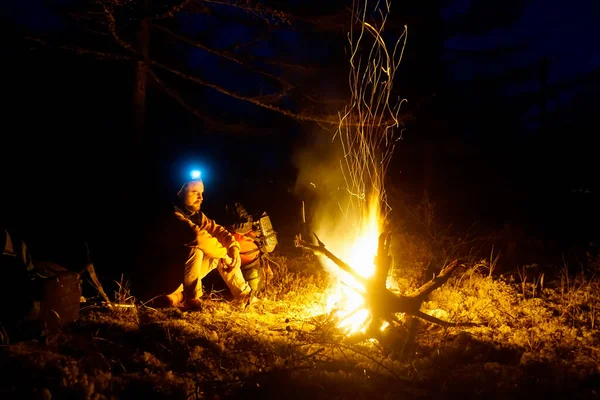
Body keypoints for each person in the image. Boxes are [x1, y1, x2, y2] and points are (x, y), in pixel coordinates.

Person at [135, 179, 252, 310]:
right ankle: (191, 299)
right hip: (161, 280)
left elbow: (217, 230)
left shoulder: (194, 215)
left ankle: (245, 297)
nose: (201, 197)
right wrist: (225, 254)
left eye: (201, 192)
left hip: (178, 279)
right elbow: (197, 237)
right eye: (194, 192)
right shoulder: (171, 215)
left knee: (218, 251)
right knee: (197, 249)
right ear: (179, 193)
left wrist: (233, 247)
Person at [224, 202, 276, 296]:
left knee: (254, 289)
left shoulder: (226, 232)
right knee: (253, 289)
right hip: (241, 265)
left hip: (247, 265)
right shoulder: (251, 231)